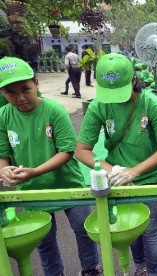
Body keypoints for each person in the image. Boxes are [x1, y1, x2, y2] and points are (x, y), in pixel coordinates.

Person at [75, 53, 157, 276]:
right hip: (118, 178)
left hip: (152, 177)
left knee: (150, 230)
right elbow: (81, 150)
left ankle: (154, 273)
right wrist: (115, 171)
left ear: (133, 80)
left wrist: (135, 171)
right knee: (130, 227)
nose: (116, 99)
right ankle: (140, 267)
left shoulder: (150, 103)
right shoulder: (99, 106)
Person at [0, 57, 102, 276]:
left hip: (67, 184)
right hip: (32, 190)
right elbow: (3, 154)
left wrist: (35, 171)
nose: (20, 98)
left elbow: (66, 151)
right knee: (44, 240)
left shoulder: (54, 110)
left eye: (25, 89)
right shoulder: (3, 116)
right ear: (2, 93)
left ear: (36, 83)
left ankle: (91, 269)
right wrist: (4, 170)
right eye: (10, 92)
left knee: (83, 230)